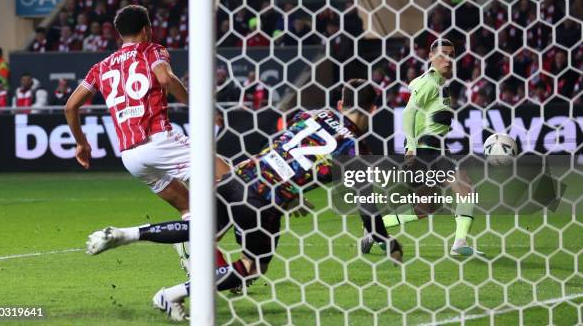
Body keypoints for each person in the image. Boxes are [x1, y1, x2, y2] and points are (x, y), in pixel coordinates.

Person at [85, 79, 399, 321]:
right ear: (374, 109)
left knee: (200, 226)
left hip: (240, 176)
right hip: (263, 202)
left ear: (341, 102)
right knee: (252, 266)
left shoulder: (313, 115)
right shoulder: (356, 149)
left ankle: (128, 234)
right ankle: (172, 294)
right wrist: (384, 238)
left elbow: (283, 143)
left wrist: (293, 192)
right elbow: (366, 204)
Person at [64, 5, 229, 225]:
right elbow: (165, 78)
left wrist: (81, 143)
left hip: (130, 157)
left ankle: (191, 252)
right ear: (146, 28)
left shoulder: (100, 68)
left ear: (120, 34)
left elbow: (70, 107)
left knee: (191, 210)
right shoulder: (151, 50)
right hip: (158, 139)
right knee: (232, 181)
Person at [361, 38, 481, 257]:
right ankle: (460, 243)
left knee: (424, 208)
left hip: (434, 149)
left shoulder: (439, 82)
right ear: (431, 57)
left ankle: (374, 230)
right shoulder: (431, 82)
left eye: (451, 54)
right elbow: (408, 113)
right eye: (442, 54)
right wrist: (412, 147)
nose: (448, 59)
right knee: (466, 190)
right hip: (428, 149)